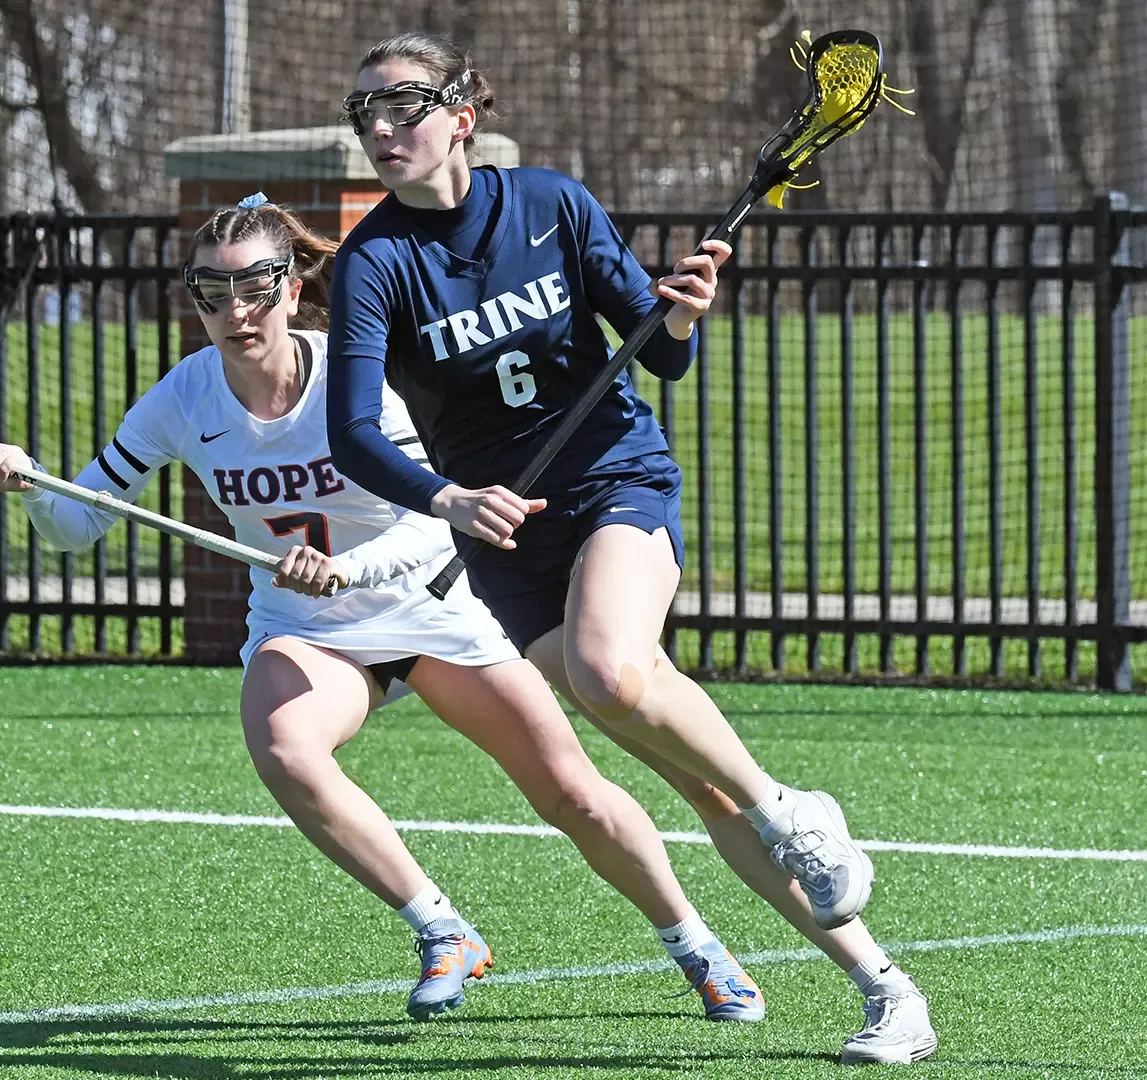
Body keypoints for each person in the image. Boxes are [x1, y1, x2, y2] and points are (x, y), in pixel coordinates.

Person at [0, 194, 771, 1024]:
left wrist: (347, 571)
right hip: (308, 630)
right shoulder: (184, 398)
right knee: (283, 744)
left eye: (254, 290)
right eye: (211, 295)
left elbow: (434, 523)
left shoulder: (359, 377)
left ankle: (696, 944)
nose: (235, 314)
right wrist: (25, 481)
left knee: (574, 797)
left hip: (430, 607)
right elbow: (78, 524)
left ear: (295, 287)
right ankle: (441, 927)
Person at [323, 32, 937, 1064]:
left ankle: (793, 807)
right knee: (697, 784)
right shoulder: (376, 264)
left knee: (612, 669)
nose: (383, 128)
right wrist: (448, 498)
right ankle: (886, 989)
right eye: (365, 114)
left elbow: (656, 351)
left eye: (407, 105)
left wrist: (681, 317)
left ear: (463, 115)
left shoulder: (553, 203)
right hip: (508, 535)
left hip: (615, 478)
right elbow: (353, 432)